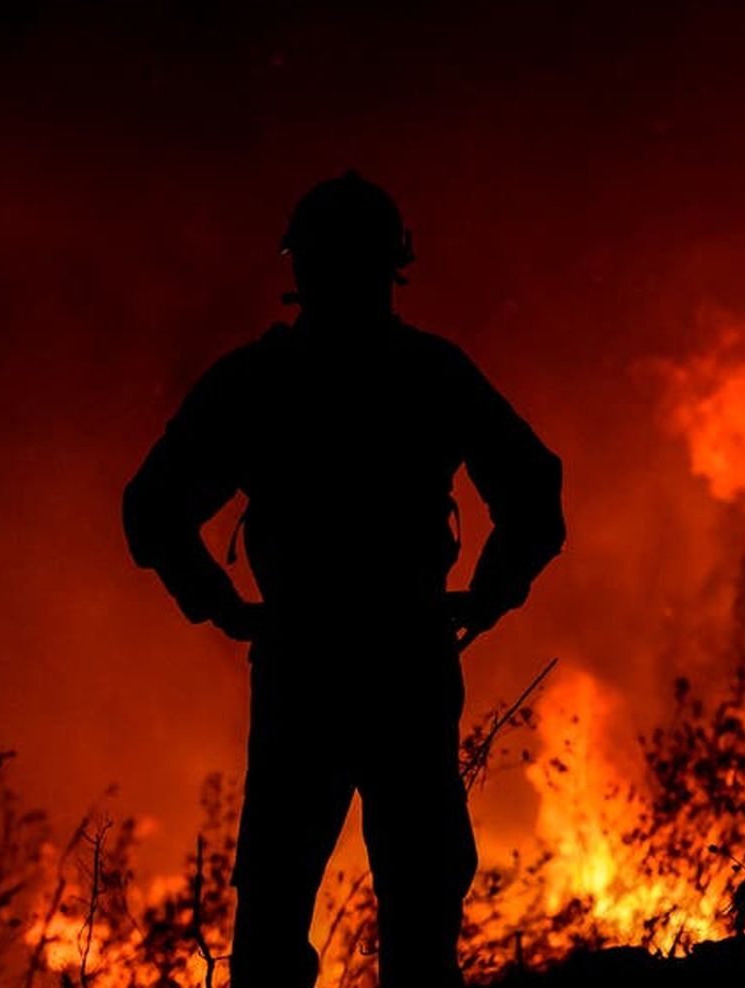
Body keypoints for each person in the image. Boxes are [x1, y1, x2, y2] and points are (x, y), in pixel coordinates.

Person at [122, 171, 565, 988]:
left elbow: (151, 510)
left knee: (278, 906)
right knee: (419, 905)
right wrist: (489, 597)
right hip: (406, 661)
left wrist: (221, 606)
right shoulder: (430, 372)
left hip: (305, 664)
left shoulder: (259, 382)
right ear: (393, 266)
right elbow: (536, 494)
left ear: (300, 267)